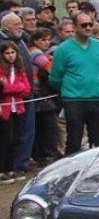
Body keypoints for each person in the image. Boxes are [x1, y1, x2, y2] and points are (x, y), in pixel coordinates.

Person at [49, 12, 99, 155]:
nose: (88, 28)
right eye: (83, 25)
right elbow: (55, 77)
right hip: (74, 100)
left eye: (90, 24)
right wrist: (70, 90)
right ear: (75, 27)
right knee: (74, 140)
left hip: (96, 98)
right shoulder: (63, 49)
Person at [0, 40, 31, 183]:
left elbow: (26, 90)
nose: (10, 56)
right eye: (7, 53)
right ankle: (3, 169)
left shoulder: (19, 70)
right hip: (4, 109)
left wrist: (9, 87)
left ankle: (12, 168)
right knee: (6, 139)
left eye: (13, 52)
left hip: (17, 108)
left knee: (16, 138)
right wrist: (13, 88)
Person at [27, 28, 59, 165]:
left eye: (48, 39)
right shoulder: (36, 53)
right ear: (35, 41)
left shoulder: (40, 53)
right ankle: (47, 155)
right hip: (38, 93)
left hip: (40, 93)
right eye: (43, 40)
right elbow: (51, 69)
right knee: (47, 126)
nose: (47, 43)